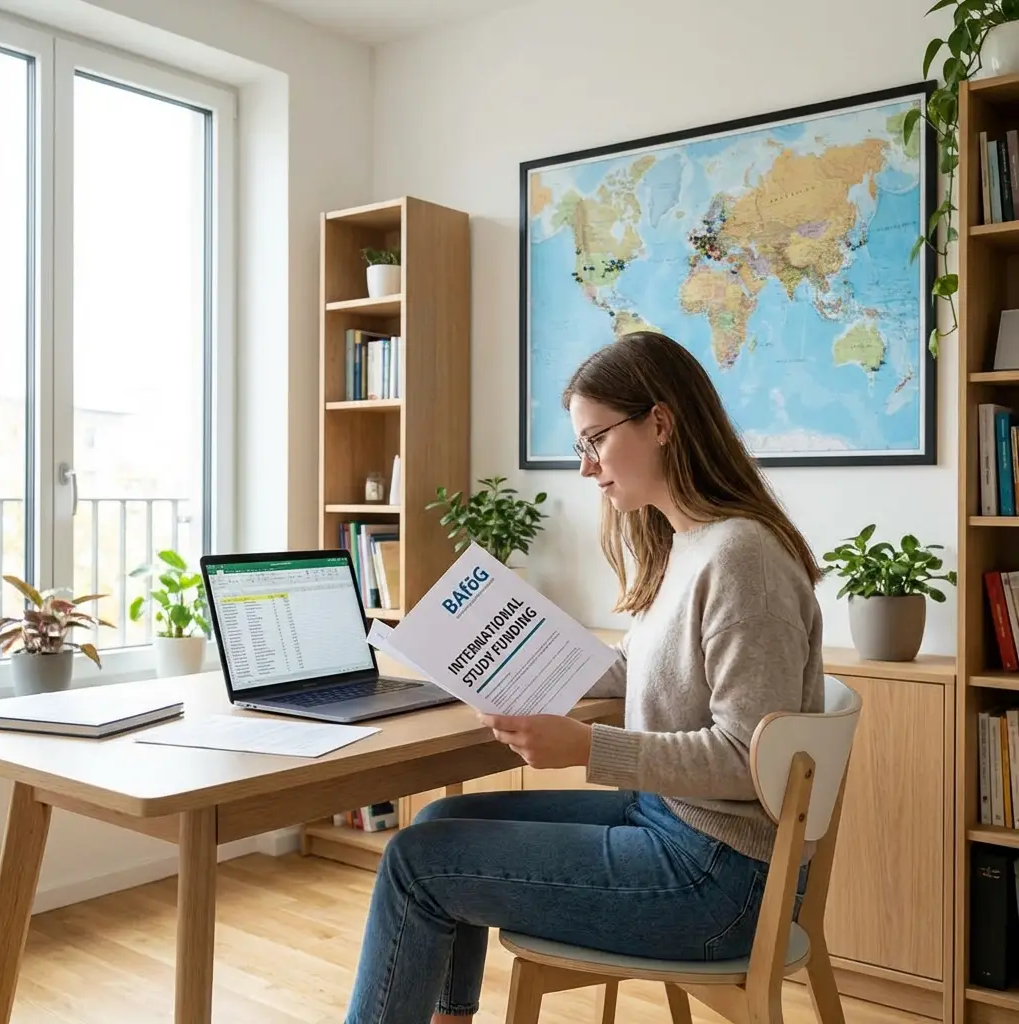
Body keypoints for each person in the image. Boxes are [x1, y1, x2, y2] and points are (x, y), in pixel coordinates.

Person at [344, 331, 825, 1024]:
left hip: (718, 881)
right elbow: (639, 667)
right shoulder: (689, 544)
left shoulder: (742, 559)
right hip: (673, 826)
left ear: (660, 423)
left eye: (595, 440)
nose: (585, 467)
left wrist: (586, 748)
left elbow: (747, 759)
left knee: (417, 862)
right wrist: (506, 660)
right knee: (442, 820)